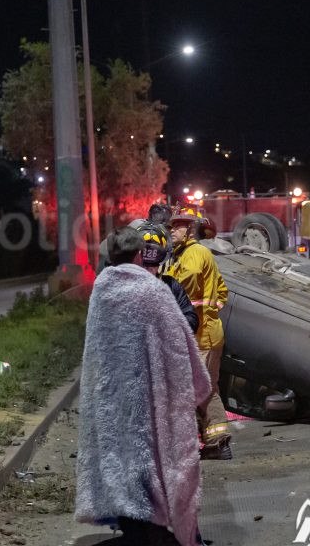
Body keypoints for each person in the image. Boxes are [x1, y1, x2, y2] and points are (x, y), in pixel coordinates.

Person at [74, 227, 212, 546]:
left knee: (119, 457)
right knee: (152, 458)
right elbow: (180, 340)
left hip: (111, 397)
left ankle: (132, 525)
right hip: (148, 394)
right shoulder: (153, 291)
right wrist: (197, 382)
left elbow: (95, 346)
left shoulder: (101, 291)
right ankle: (154, 528)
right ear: (139, 255)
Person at [166, 207, 233, 460]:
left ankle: (218, 443)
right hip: (206, 331)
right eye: (171, 226)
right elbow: (222, 291)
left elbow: (186, 282)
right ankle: (209, 441)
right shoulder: (187, 254)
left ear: (191, 228)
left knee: (204, 390)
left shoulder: (194, 253)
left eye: (178, 225)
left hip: (201, 334)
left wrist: (166, 280)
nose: (172, 229)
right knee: (200, 389)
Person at [137, 222, 198, 333]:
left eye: (154, 264)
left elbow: (191, 319)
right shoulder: (123, 286)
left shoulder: (171, 285)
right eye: (144, 264)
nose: (149, 269)